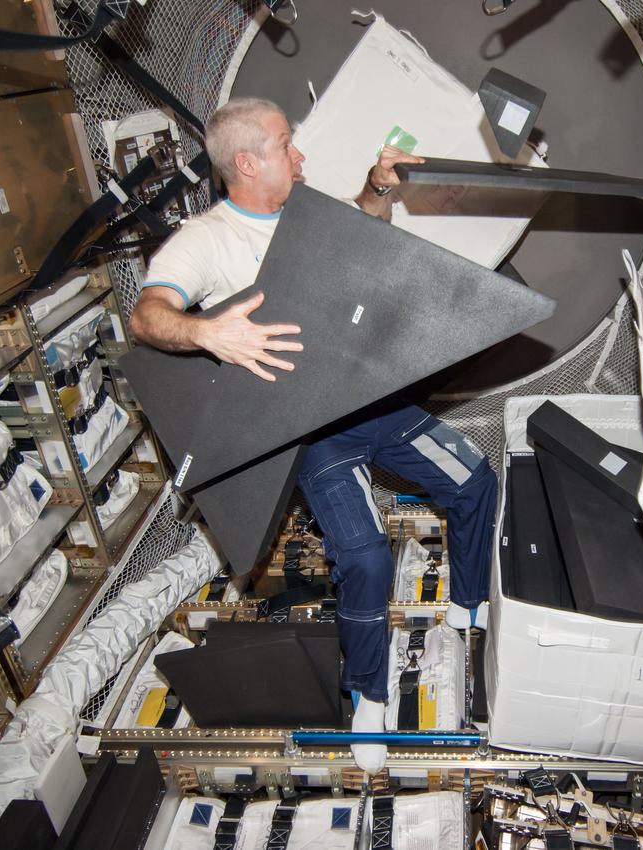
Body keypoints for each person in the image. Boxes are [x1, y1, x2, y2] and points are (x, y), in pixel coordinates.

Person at [128, 97, 495, 774]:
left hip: (368, 402)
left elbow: (364, 222)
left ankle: (468, 609)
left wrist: (381, 184)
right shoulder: (205, 240)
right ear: (247, 161)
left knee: (476, 481)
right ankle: (367, 697)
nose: (300, 156)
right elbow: (148, 316)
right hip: (309, 434)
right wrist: (209, 332)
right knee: (366, 559)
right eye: (285, 145)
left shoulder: (303, 207)